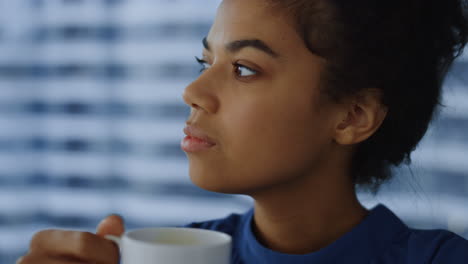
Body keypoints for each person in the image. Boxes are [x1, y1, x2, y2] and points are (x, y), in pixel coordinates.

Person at [17, 0, 468, 263]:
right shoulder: (178, 254)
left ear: (353, 116)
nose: (193, 91)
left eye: (245, 69)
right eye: (204, 62)